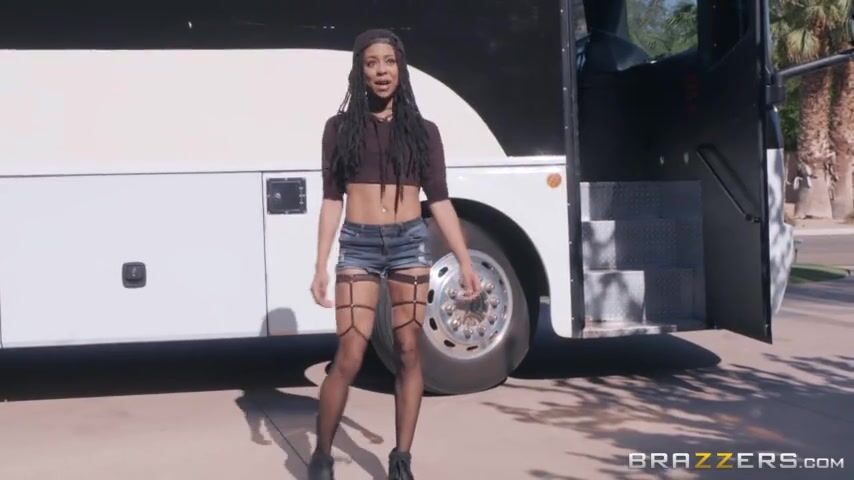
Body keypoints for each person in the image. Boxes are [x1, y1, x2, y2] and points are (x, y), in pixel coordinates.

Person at [308, 28, 482, 480]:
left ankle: (401, 457)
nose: (381, 71)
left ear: (400, 68)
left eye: (389, 62)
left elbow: (439, 200)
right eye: (372, 63)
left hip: (409, 243)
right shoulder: (339, 129)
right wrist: (320, 265)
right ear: (360, 71)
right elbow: (332, 199)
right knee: (350, 353)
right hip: (359, 244)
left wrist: (464, 261)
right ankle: (322, 455)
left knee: (408, 350)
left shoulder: (424, 132)